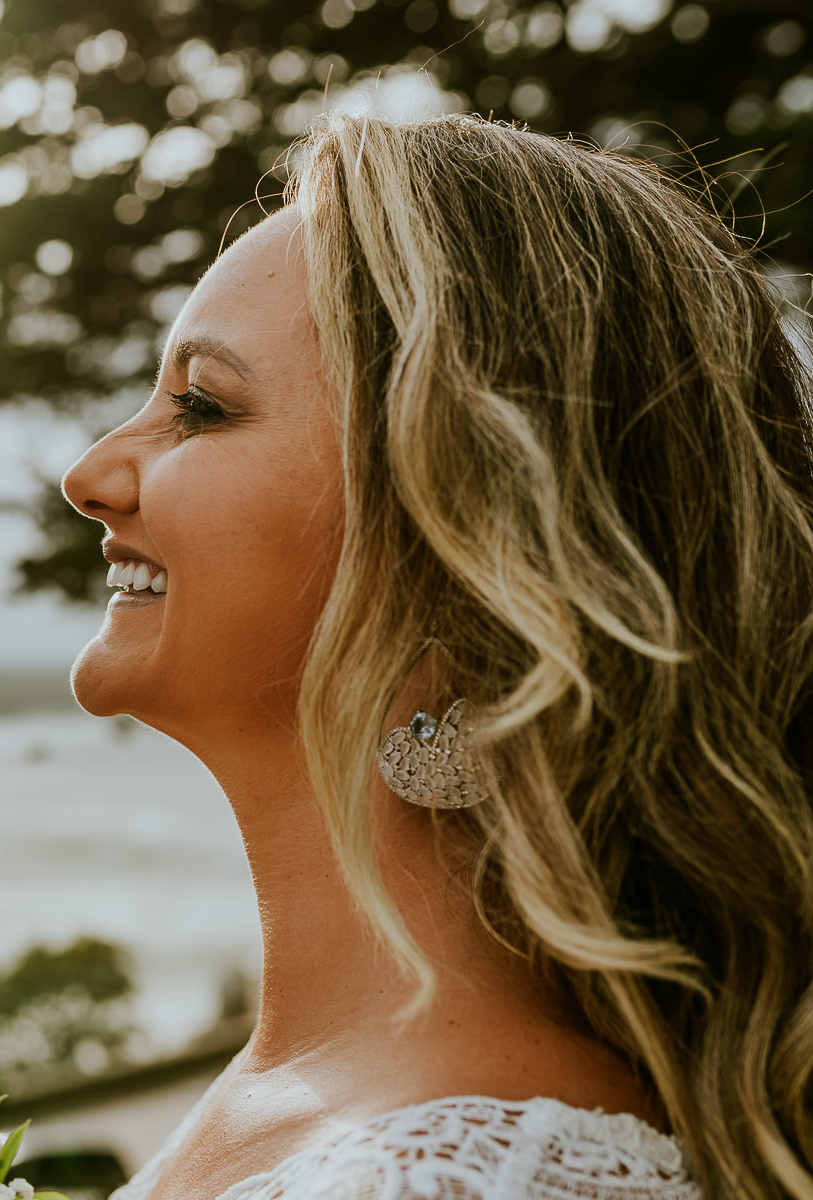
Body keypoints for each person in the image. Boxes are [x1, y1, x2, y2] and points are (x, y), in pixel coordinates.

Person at [67, 113, 813, 1199]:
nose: (91, 471)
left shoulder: (469, 1177)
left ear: (463, 559)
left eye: (202, 406)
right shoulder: (320, 1098)